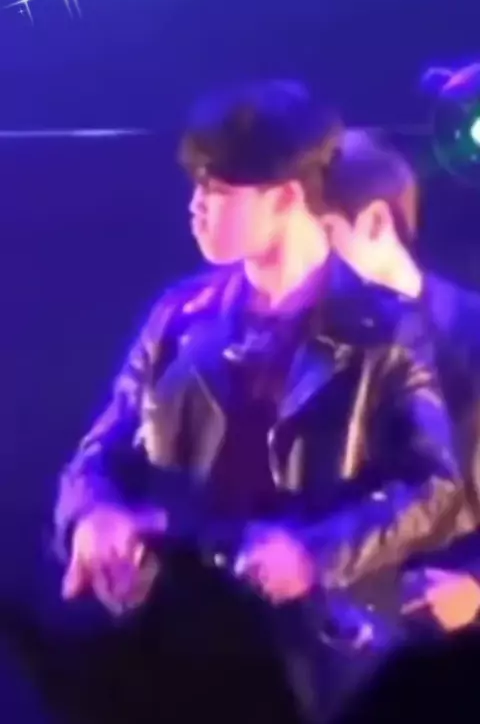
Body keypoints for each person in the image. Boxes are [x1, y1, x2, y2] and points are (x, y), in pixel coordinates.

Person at [53, 81, 461, 721]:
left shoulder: (384, 329)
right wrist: (92, 515)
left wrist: (312, 553)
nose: (196, 206)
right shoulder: (180, 316)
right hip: (175, 640)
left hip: (312, 657)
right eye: (196, 186)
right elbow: (103, 448)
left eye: (218, 190)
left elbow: (431, 484)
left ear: (286, 197)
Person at [322, 129, 480, 634]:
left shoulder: (470, 333)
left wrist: (475, 588)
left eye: (321, 233)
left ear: (374, 222)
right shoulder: (315, 344)